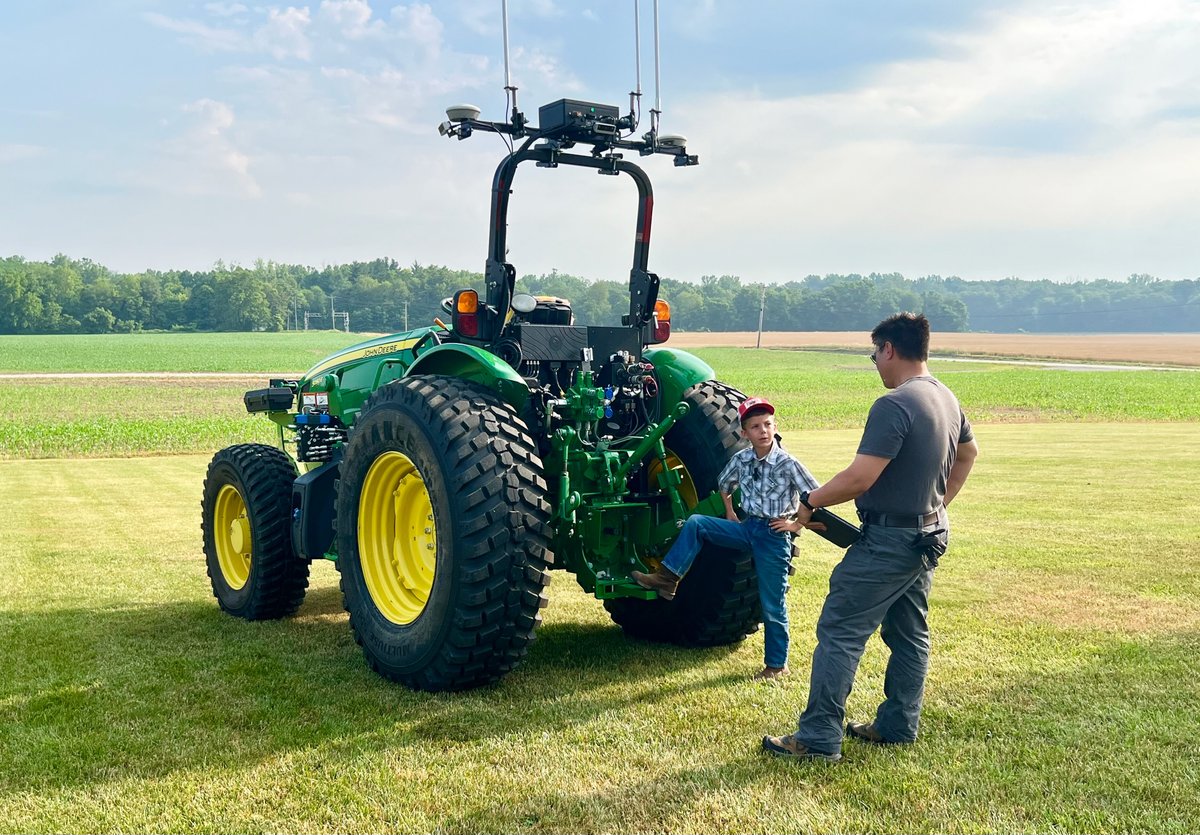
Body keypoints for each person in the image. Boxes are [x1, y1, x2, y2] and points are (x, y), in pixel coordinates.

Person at [762, 312, 979, 762]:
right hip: (926, 537)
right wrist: (938, 504)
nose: (875, 362)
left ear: (890, 350)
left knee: (840, 630)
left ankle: (819, 738)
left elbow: (860, 478)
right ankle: (899, 725)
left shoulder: (895, 404)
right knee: (909, 633)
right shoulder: (946, 397)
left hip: (889, 543)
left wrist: (810, 501)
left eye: (875, 353)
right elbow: (968, 454)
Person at [632, 396, 819, 680]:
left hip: (772, 536)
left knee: (772, 603)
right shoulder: (742, 459)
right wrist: (730, 512)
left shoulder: (788, 463)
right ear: (745, 433)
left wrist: (797, 524)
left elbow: (813, 494)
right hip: (746, 528)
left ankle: (777, 666)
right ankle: (667, 578)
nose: (763, 431)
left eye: (768, 424)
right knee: (696, 523)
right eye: (755, 426)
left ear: (774, 426)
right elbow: (724, 485)